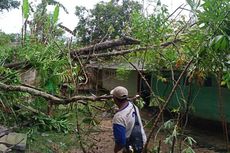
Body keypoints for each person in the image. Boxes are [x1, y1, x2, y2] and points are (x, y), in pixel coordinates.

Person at [110, 86, 147, 153]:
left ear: (115, 99)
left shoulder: (118, 118)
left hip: (131, 148)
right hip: (143, 141)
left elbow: (120, 142)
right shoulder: (133, 106)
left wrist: (115, 150)